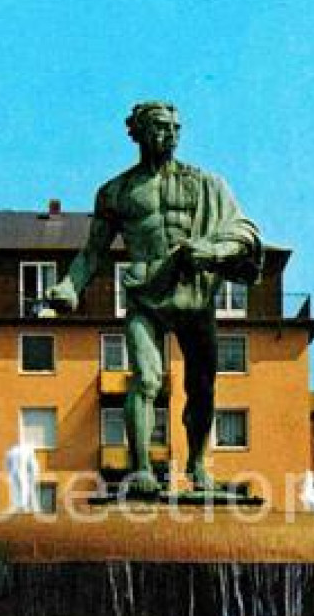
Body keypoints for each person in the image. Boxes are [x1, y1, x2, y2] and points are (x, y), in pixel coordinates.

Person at [46, 102, 262, 495]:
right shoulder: (116, 192)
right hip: (145, 294)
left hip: (195, 295)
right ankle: (142, 468)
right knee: (146, 379)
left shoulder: (205, 184)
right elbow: (93, 251)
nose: (171, 136)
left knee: (203, 386)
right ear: (139, 133)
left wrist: (212, 252)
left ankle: (198, 467)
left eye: (176, 128)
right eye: (161, 128)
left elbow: (242, 230)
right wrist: (69, 287)